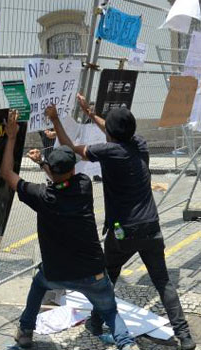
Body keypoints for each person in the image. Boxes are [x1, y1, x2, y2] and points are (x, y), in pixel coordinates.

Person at [46, 95, 196, 350]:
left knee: (106, 277)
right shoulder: (140, 144)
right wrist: (91, 114)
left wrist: (56, 118)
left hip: (123, 231)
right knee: (163, 282)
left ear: (111, 134)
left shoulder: (108, 151)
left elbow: (71, 150)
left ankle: (94, 322)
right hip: (151, 226)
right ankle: (185, 336)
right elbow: (113, 129)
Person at [0, 109, 138, 350]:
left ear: (50, 173)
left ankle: (25, 331)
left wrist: (12, 137)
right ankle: (126, 343)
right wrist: (54, 123)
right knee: (110, 311)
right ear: (74, 170)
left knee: (38, 284)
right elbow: (67, 161)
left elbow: (7, 174)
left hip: (57, 273)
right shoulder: (83, 185)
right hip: (93, 272)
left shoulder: (41, 196)